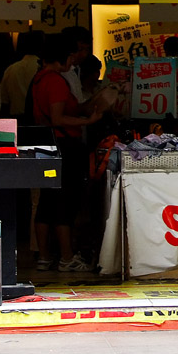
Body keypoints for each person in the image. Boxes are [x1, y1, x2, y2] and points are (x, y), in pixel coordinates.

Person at [30, 33, 104, 272]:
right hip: (63, 147)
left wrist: (91, 103)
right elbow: (58, 117)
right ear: (63, 55)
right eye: (72, 55)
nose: (74, 61)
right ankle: (66, 257)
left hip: (47, 147)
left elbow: (66, 110)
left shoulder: (40, 79)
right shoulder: (55, 81)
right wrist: (89, 121)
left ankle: (44, 257)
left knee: (47, 202)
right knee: (64, 202)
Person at [0, 30, 44, 120]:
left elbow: (4, 100)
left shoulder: (11, 69)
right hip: (38, 118)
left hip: (15, 118)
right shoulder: (43, 69)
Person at [60, 25, 92, 103]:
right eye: (80, 49)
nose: (84, 54)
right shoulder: (61, 72)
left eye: (87, 49)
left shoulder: (76, 69)